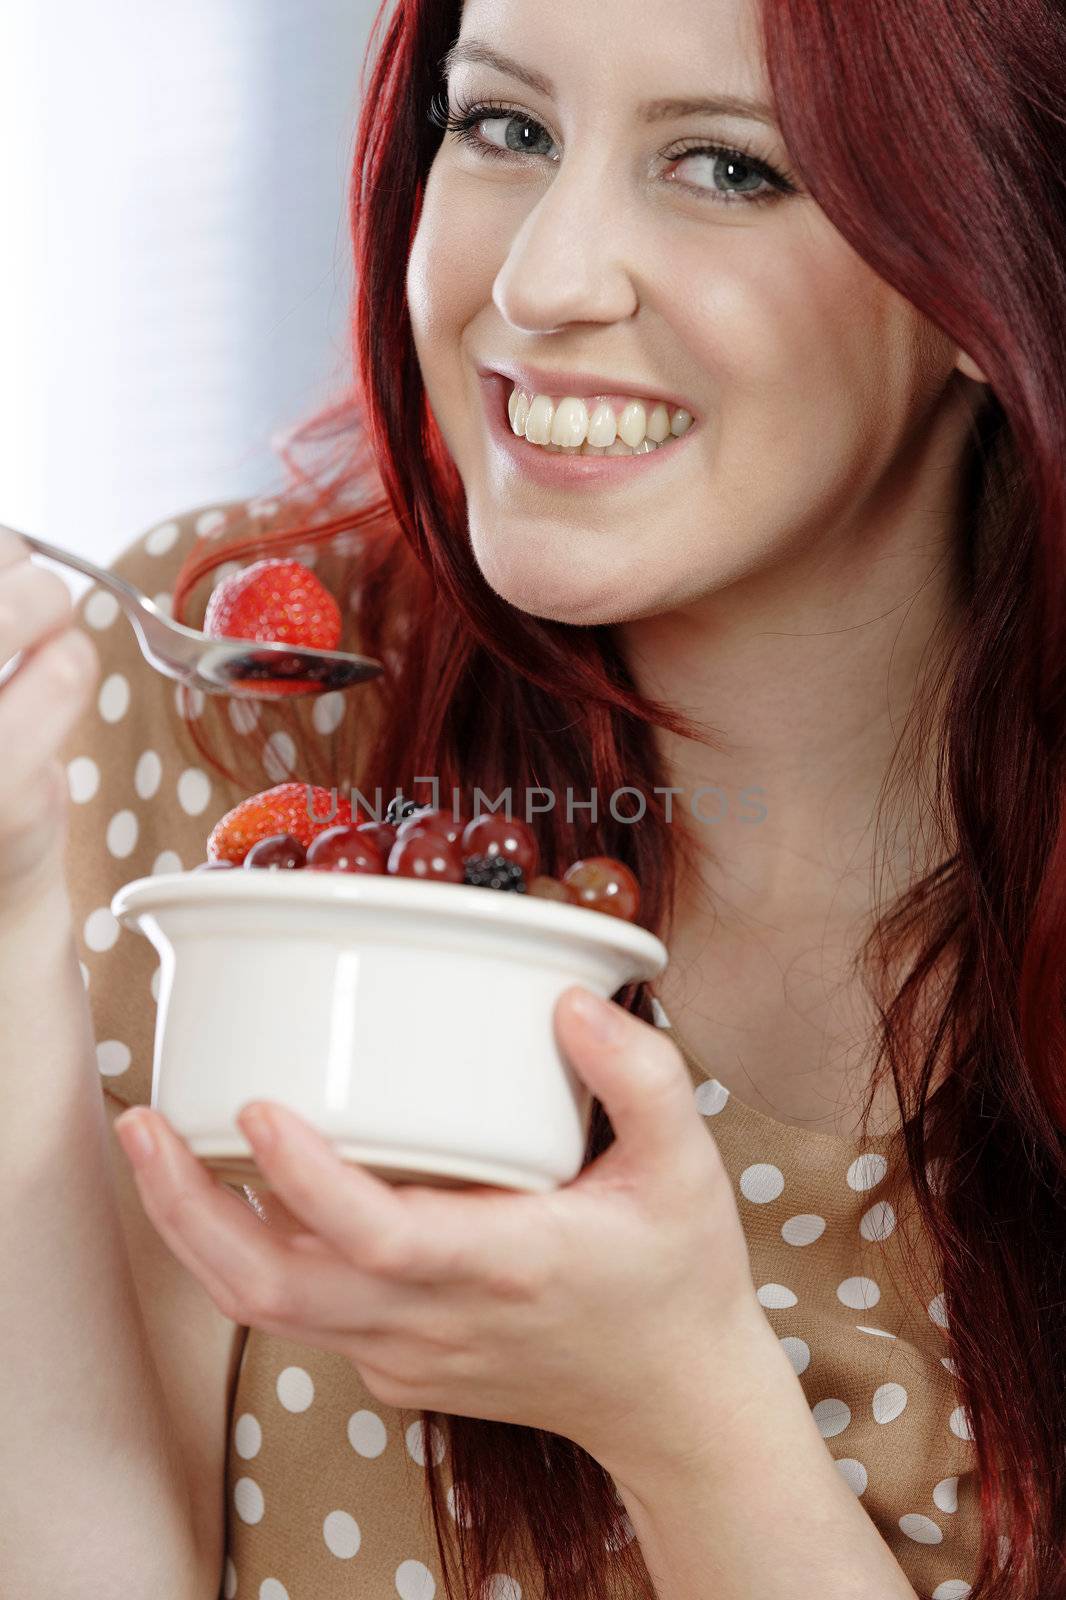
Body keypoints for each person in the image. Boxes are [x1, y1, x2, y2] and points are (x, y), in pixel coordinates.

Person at [5, 0, 1063, 1596]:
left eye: (722, 166)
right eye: (504, 128)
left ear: (987, 266)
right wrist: (13, 901)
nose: (539, 282)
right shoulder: (237, 693)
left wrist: (681, 1412)